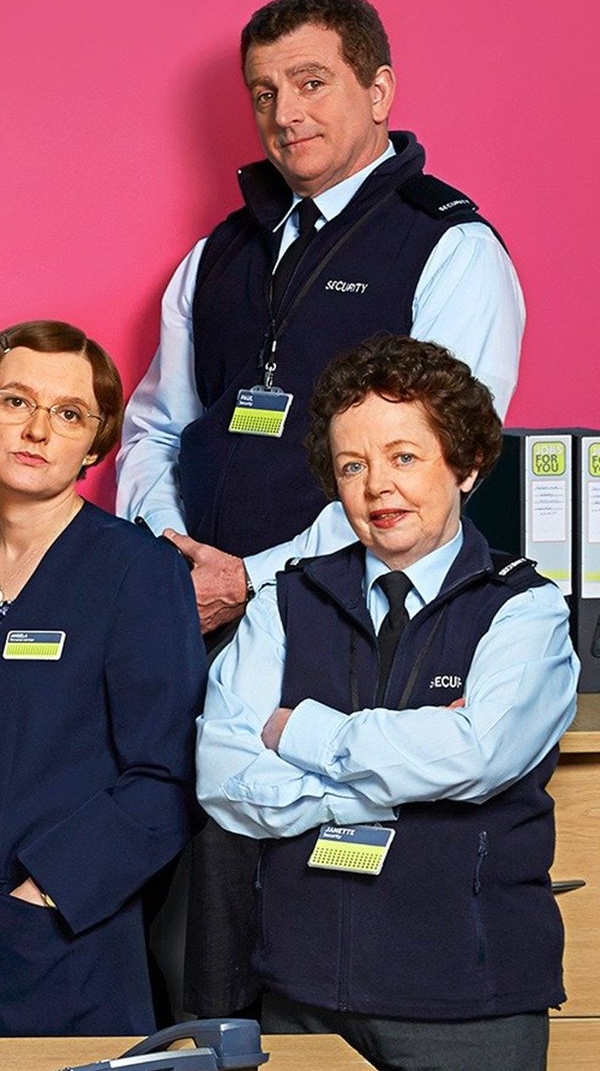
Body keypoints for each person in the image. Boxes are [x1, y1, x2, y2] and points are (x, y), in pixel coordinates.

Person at [112, 0, 524, 1017]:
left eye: (311, 83)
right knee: (196, 904)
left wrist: (252, 579)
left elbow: (426, 470)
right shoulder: (219, 254)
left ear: (378, 91)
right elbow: (156, 424)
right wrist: (169, 560)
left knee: (324, 906)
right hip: (195, 620)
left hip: (352, 632)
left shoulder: (451, 247)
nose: (285, 112)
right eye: (264, 92)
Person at [195, 335, 574, 1071]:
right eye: (352, 465)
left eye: (404, 457)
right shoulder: (285, 600)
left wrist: (301, 732)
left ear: (466, 464)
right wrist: (383, 785)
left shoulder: (526, 609)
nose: (377, 488)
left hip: (470, 1004)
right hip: (301, 993)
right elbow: (224, 779)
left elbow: (476, 755)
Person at [0, 321, 204, 1037]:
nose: (38, 430)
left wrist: (45, 893)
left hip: (61, 952)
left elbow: (164, 777)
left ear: (97, 444)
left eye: (70, 414)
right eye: (16, 401)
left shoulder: (138, 571)